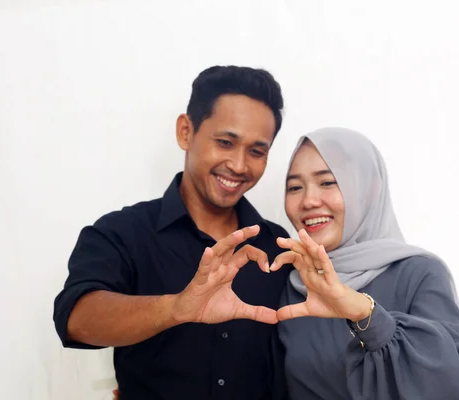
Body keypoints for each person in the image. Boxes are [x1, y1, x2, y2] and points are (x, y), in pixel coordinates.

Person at [53, 65, 292, 400]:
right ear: (185, 132)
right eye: (225, 142)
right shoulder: (123, 232)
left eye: (256, 151)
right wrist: (178, 307)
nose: (239, 165)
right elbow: (76, 318)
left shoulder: (278, 246)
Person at [268, 127, 459, 399]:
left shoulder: (417, 274)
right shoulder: (292, 283)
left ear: (367, 189)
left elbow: (452, 386)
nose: (309, 200)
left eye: (328, 182)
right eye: (295, 187)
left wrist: (366, 315)